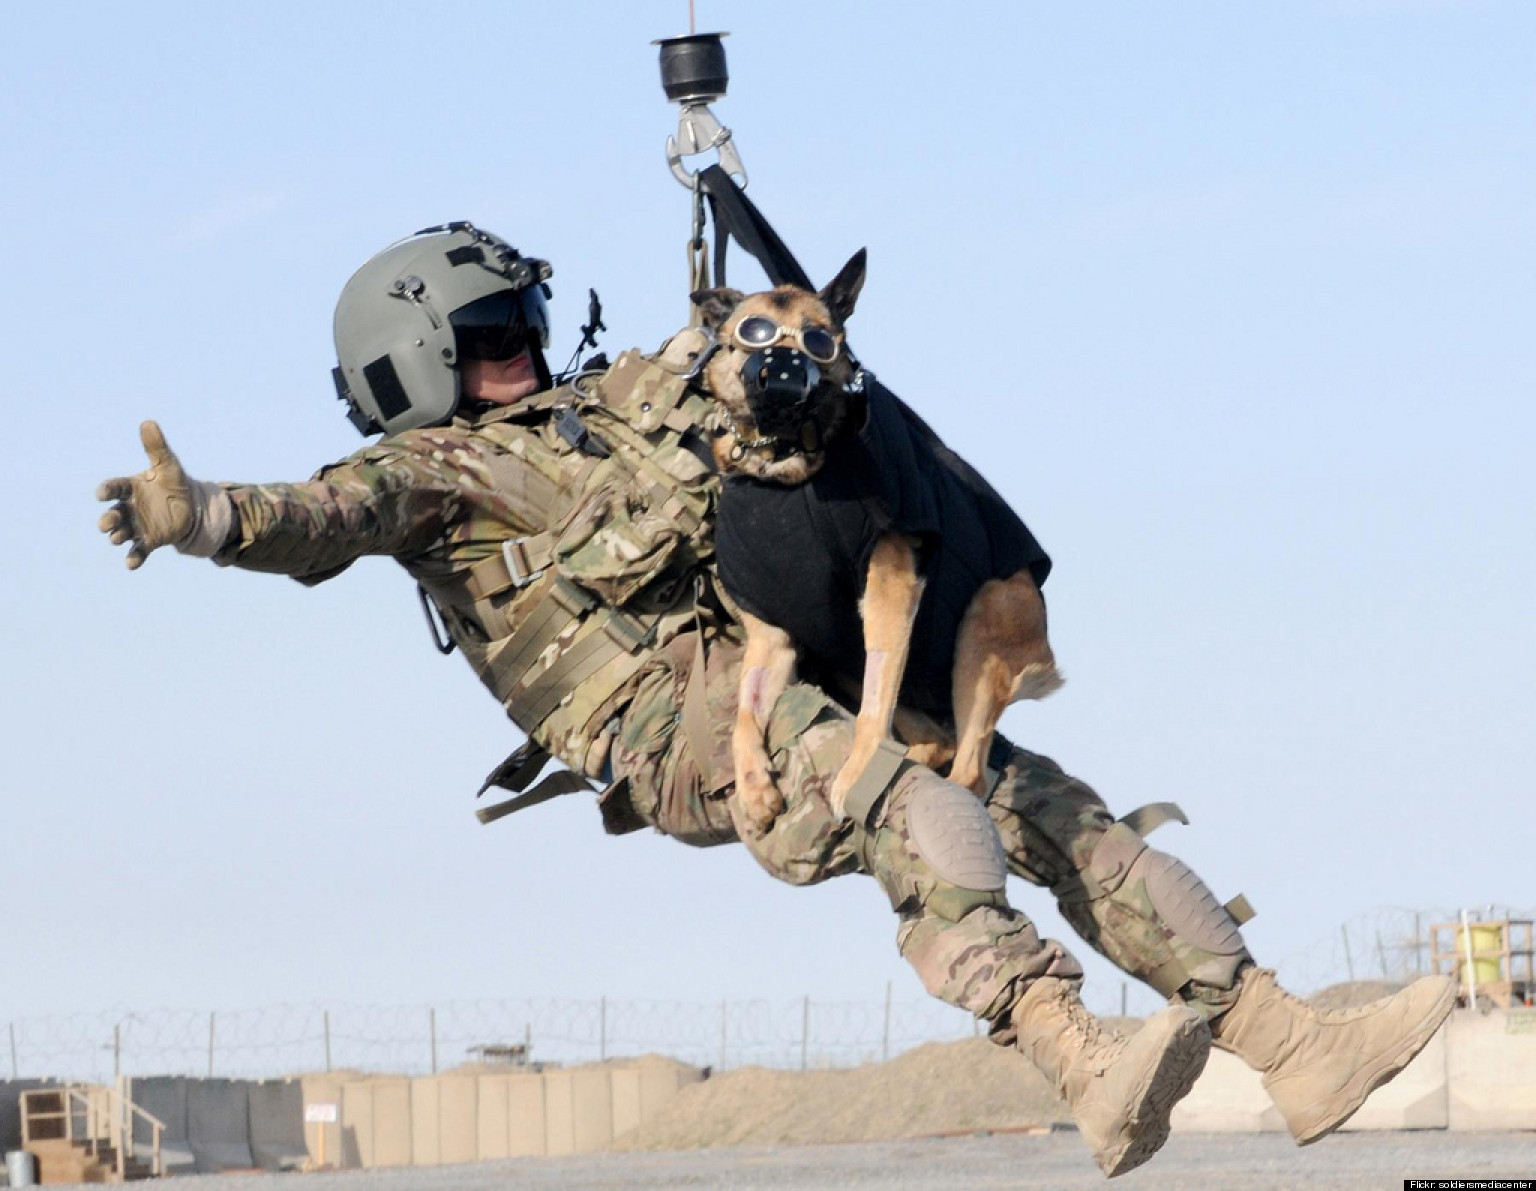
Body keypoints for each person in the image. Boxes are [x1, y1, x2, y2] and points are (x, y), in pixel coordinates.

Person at [97, 223, 1453, 1177]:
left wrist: (798, 346)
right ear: (417, 369)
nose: (522, 352)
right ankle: (1075, 1054)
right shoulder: (432, 480)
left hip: (790, 654)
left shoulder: (615, 405)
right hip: (671, 722)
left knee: (1039, 797)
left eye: (524, 325)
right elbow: (316, 517)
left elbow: (757, 371)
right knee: (905, 802)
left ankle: (1289, 1042)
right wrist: (199, 515)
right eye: (489, 338)